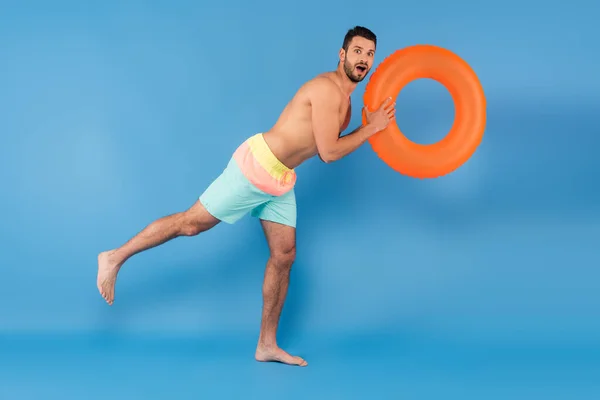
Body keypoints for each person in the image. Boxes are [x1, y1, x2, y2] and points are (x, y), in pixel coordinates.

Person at [96, 26, 395, 367]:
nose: (364, 60)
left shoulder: (346, 102)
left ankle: (266, 345)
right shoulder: (326, 90)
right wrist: (371, 130)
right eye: (357, 52)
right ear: (342, 55)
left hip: (281, 179)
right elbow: (328, 153)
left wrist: (363, 127)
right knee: (191, 224)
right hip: (258, 165)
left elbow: (325, 143)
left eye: (369, 54)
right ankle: (114, 257)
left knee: (284, 255)